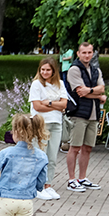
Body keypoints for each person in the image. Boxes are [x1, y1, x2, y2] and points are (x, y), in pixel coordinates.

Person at [64, 42, 106, 193]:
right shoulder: (74, 70)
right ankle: (71, 179)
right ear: (78, 53)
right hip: (79, 113)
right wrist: (98, 94)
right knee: (75, 147)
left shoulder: (96, 70)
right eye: (84, 52)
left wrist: (92, 91)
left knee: (87, 147)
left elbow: (102, 89)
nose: (87, 55)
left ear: (93, 53)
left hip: (94, 113)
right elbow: (80, 92)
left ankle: (82, 178)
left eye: (89, 52)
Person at [29, 58, 67, 199]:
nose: (45, 72)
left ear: (53, 71)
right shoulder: (36, 85)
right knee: (40, 156)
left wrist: (49, 102)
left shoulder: (60, 84)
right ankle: (38, 187)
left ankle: (48, 185)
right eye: (42, 69)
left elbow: (64, 104)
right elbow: (37, 106)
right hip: (41, 124)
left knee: (52, 157)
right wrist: (56, 104)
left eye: (48, 70)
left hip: (56, 123)